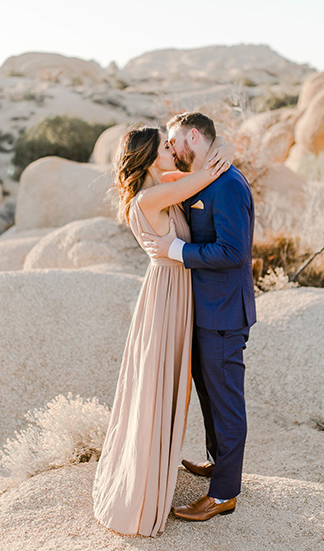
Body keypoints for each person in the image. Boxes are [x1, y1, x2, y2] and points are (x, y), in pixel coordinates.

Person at [92, 123, 234, 536]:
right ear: (153, 156)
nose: (173, 149)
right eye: (166, 146)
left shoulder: (162, 184)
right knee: (158, 387)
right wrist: (211, 159)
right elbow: (205, 177)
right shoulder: (152, 196)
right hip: (168, 295)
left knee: (166, 384)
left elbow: (186, 178)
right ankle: (141, 492)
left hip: (172, 290)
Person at [143, 111, 256, 523]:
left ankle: (224, 493)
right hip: (201, 309)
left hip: (224, 312)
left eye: (174, 141)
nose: (171, 149)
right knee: (209, 394)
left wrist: (177, 253)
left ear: (194, 135)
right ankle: (217, 462)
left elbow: (234, 252)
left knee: (226, 402)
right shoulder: (205, 176)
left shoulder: (226, 184)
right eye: (166, 145)